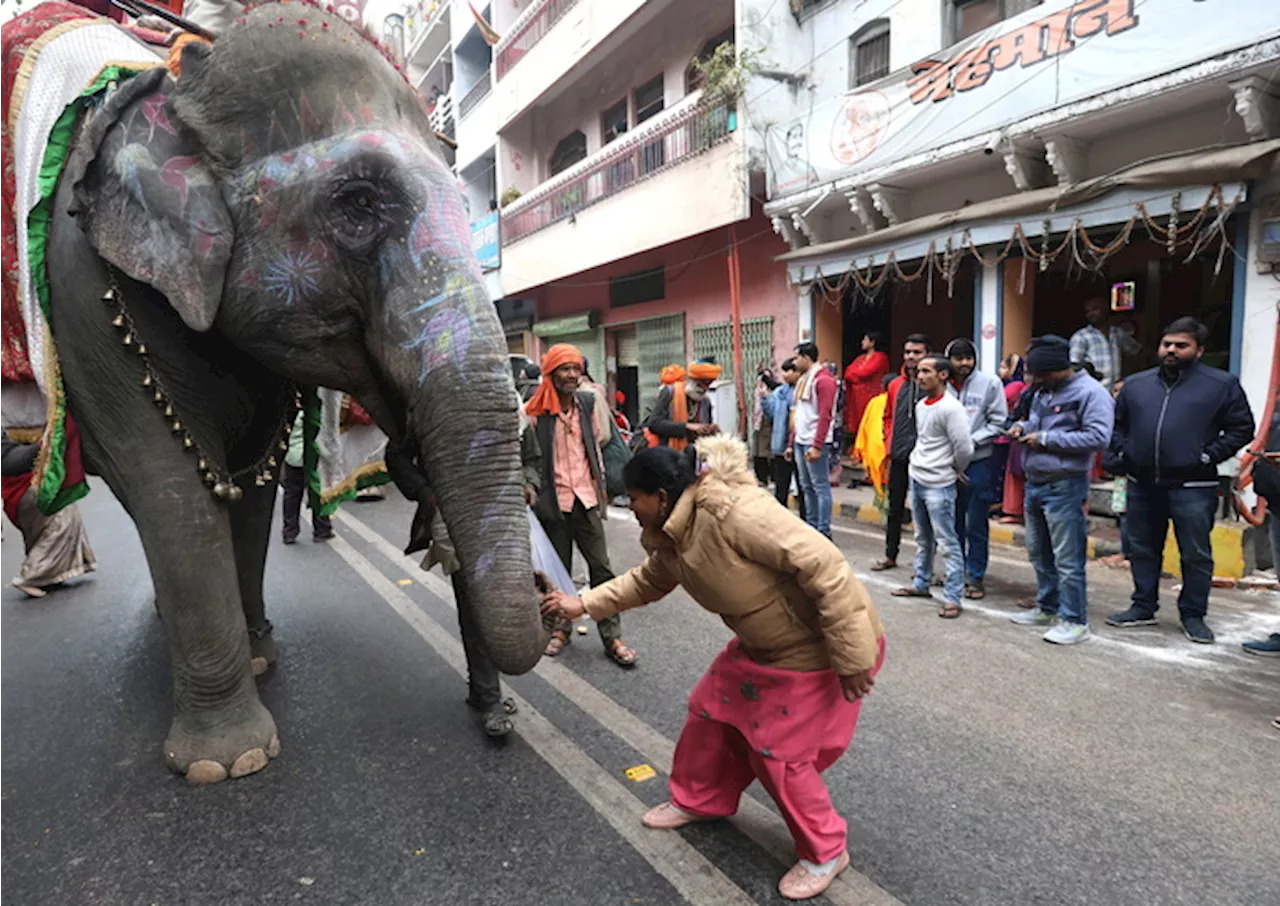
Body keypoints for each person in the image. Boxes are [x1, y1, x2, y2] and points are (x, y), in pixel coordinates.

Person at [539, 437, 885, 901]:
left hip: (819, 649)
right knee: (709, 714)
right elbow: (647, 581)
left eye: (632, 498)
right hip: (762, 647)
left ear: (660, 496)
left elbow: (828, 568)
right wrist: (578, 605)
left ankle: (826, 851)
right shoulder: (674, 534)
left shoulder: (734, 512)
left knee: (777, 755)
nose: (629, 507)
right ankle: (701, 799)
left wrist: (853, 656)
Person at [387, 398, 542, 738]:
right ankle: (490, 699)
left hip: (505, 520)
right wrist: (426, 493)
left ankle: (482, 690)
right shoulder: (434, 409)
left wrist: (529, 484)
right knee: (475, 608)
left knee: (504, 604)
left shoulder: (510, 410)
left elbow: (532, 460)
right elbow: (396, 457)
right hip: (459, 522)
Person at [1104, 317, 1255, 644]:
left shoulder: (1221, 384)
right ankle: (1143, 606)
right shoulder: (1137, 384)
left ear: (1199, 350)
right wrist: (1124, 453)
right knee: (1143, 548)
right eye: (1167, 344)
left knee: (1195, 554)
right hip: (1142, 483)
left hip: (1193, 486)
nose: (1171, 350)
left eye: (1181, 345)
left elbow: (1242, 428)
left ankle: (1193, 615)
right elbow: (1117, 426)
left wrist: (1206, 456)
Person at [526, 344, 638, 667]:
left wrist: (602, 483)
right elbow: (528, 457)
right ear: (551, 373)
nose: (572, 375)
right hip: (554, 502)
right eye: (565, 369)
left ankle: (612, 636)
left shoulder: (588, 403)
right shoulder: (534, 412)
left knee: (601, 568)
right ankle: (561, 629)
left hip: (586, 498)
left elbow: (600, 441)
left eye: (576, 368)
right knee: (556, 571)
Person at [1006, 336, 1114, 645]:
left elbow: (1098, 437)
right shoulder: (1043, 390)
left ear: (1058, 368)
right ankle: (1047, 606)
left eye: (1040, 375)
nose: (1035, 381)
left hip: (1065, 485)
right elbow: (1036, 422)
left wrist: (1044, 439)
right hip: (1035, 482)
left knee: (1067, 558)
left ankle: (1074, 620)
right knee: (1038, 552)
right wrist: (1022, 429)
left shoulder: (1091, 393)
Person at [891, 354, 973, 618]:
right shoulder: (922, 405)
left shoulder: (951, 408)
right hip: (919, 476)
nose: (921, 375)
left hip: (940, 483)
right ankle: (921, 583)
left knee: (947, 541)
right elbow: (924, 438)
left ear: (943, 375)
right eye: (920, 371)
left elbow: (964, 447)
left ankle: (953, 597)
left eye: (927, 371)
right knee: (922, 538)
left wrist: (955, 469)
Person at [944, 338, 1008, 600]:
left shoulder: (990, 383)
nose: (964, 363)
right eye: (958, 358)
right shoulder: (941, 383)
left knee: (976, 522)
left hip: (979, 461)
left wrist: (970, 443)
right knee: (951, 522)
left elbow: (999, 421)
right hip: (947, 464)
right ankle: (954, 573)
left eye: (968, 358)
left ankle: (976, 577)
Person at [0, 436, 96, 598]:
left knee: (45, 529)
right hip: (25, 485)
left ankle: (50, 575)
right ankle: (31, 577)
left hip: (25, 484)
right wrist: (40, 447)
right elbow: (6, 460)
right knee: (60, 515)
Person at [871, 334, 930, 572]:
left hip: (925, 458)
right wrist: (888, 441)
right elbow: (887, 416)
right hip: (898, 455)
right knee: (895, 508)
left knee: (925, 513)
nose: (911, 357)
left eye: (917, 352)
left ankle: (925, 565)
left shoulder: (932, 383)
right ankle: (890, 555)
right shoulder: (895, 384)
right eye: (908, 352)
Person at [792, 343, 838, 538]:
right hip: (801, 440)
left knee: (820, 487)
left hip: (814, 441)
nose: (795, 362)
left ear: (806, 357)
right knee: (806, 486)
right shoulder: (804, 379)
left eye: (797, 358)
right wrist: (792, 440)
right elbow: (800, 412)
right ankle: (812, 526)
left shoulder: (823, 380)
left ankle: (823, 529)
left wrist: (817, 445)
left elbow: (825, 415)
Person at [280, 412, 333, 545]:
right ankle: (322, 529)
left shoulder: (291, 411)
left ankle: (289, 532)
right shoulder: (315, 411)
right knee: (318, 491)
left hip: (293, 457)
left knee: (291, 494)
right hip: (314, 457)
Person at [643, 360, 721, 451]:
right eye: (701, 383)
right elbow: (654, 425)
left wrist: (711, 430)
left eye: (708, 384)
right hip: (666, 454)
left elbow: (703, 431)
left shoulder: (705, 401)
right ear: (691, 380)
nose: (705, 388)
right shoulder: (669, 393)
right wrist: (686, 426)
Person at [1069, 296, 1139, 393]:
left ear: (1105, 309)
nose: (1091, 314)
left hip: (1116, 391)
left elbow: (1137, 351)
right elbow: (1074, 367)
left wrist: (1128, 379)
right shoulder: (1081, 336)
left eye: (1095, 309)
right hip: (1093, 391)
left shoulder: (1118, 333)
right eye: (1087, 312)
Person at [766, 358, 806, 522]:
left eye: (789, 371)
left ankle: (806, 520)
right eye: (784, 371)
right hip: (781, 444)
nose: (785, 375)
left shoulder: (802, 391)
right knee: (781, 486)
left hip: (799, 444)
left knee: (803, 486)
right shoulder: (780, 392)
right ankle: (780, 522)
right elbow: (771, 414)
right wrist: (763, 399)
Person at [843, 331, 890, 450]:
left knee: (870, 422)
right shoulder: (861, 358)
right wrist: (857, 376)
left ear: (872, 342)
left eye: (865, 340)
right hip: (856, 396)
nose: (862, 342)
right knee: (858, 422)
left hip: (871, 395)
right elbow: (848, 372)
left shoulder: (881, 357)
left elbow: (865, 372)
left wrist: (856, 376)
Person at [993, 353, 1026, 523]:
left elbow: (1000, 400)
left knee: (1005, 472)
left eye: (1004, 367)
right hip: (1003, 433)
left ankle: (1004, 507)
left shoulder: (1016, 385)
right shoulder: (1006, 384)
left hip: (1007, 436)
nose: (1000, 371)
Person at [852, 373, 892, 502]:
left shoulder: (875, 401)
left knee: (881, 484)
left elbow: (864, 425)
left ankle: (884, 505)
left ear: (882, 387)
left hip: (875, 447)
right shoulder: (897, 400)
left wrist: (859, 448)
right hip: (889, 446)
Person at [752, 367, 779, 485]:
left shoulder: (774, 391)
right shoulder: (758, 389)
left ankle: (770, 476)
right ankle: (761, 477)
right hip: (758, 421)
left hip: (767, 420)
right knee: (758, 450)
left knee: (766, 450)